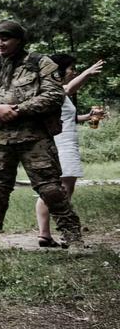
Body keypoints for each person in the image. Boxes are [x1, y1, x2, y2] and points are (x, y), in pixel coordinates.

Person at [0, 20, 82, 254]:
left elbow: (54, 95)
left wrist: (19, 110)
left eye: (5, 38)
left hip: (35, 139)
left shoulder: (41, 64)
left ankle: (74, 238)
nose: (0, 43)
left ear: (19, 40)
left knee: (51, 189)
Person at [35, 55, 105, 247]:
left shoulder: (55, 93)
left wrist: (87, 117)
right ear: (59, 71)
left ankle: (45, 235)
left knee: (53, 190)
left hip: (63, 144)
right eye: (71, 68)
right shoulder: (55, 89)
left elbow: (67, 118)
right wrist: (87, 73)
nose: (73, 71)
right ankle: (66, 235)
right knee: (63, 190)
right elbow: (67, 89)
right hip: (62, 145)